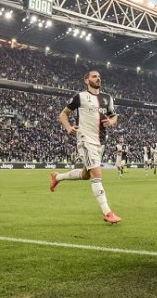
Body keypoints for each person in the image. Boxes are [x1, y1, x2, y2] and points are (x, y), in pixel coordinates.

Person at [49, 70, 121, 224]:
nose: (98, 78)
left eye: (99, 76)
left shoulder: (108, 98)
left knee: (86, 174)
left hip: (100, 142)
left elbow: (114, 115)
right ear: (86, 80)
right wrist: (68, 128)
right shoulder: (80, 97)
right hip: (85, 140)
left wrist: (112, 122)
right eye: (94, 76)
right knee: (96, 174)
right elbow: (63, 114)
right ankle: (107, 212)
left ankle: (57, 177)